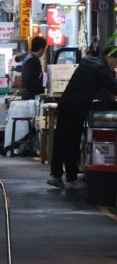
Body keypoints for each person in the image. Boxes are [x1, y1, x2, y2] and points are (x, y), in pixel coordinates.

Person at [48, 47, 117, 189]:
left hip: (67, 104)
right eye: (116, 62)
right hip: (76, 108)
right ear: (110, 57)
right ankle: (71, 179)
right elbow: (113, 86)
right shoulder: (100, 68)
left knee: (62, 140)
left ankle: (56, 175)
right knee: (72, 142)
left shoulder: (89, 61)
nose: (115, 65)